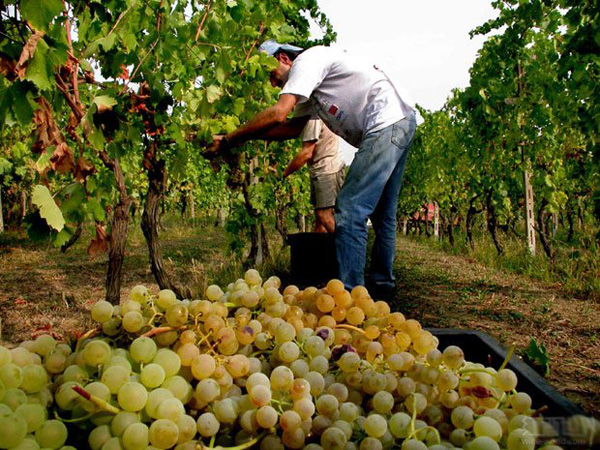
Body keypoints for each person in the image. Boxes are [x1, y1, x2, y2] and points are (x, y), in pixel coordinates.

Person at [207, 40, 417, 294]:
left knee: (350, 209)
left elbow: (278, 114)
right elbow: (292, 129)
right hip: (399, 120)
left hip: (386, 122)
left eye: (271, 74)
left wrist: (231, 139)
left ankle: (350, 294)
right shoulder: (313, 88)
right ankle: (382, 286)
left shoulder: (306, 62)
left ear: (283, 58)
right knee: (383, 215)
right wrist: (248, 135)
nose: (273, 84)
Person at [283, 118, 344, 233]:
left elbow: (306, 153)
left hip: (327, 170)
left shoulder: (314, 117)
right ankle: (319, 250)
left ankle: (348, 249)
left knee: (324, 216)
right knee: (320, 222)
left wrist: (283, 174)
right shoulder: (319, 111)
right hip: (322, 170)